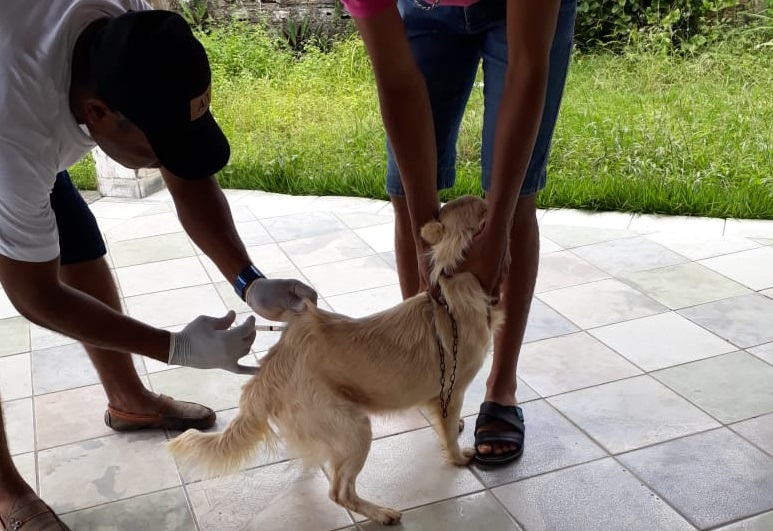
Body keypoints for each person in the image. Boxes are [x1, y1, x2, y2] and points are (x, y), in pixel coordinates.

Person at [0, 1, 318, 528]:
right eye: (157, 147)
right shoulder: (17, 134)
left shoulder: (134, 31)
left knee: (79, 248)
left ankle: (128, 400)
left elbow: (189, 179)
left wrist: (249, 281)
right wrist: (175, 348)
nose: (165, 159)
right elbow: (35, 296)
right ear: (98, 114)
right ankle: (7, 493)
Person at [340, 0, 577, 465]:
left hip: (524, 16)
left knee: (517, 197)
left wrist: (499, 227)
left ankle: (500, 388)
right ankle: (431, 374)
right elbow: (397, 82)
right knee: (405, 194)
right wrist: (421, 227)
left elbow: (527, 70)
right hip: (420, 18)